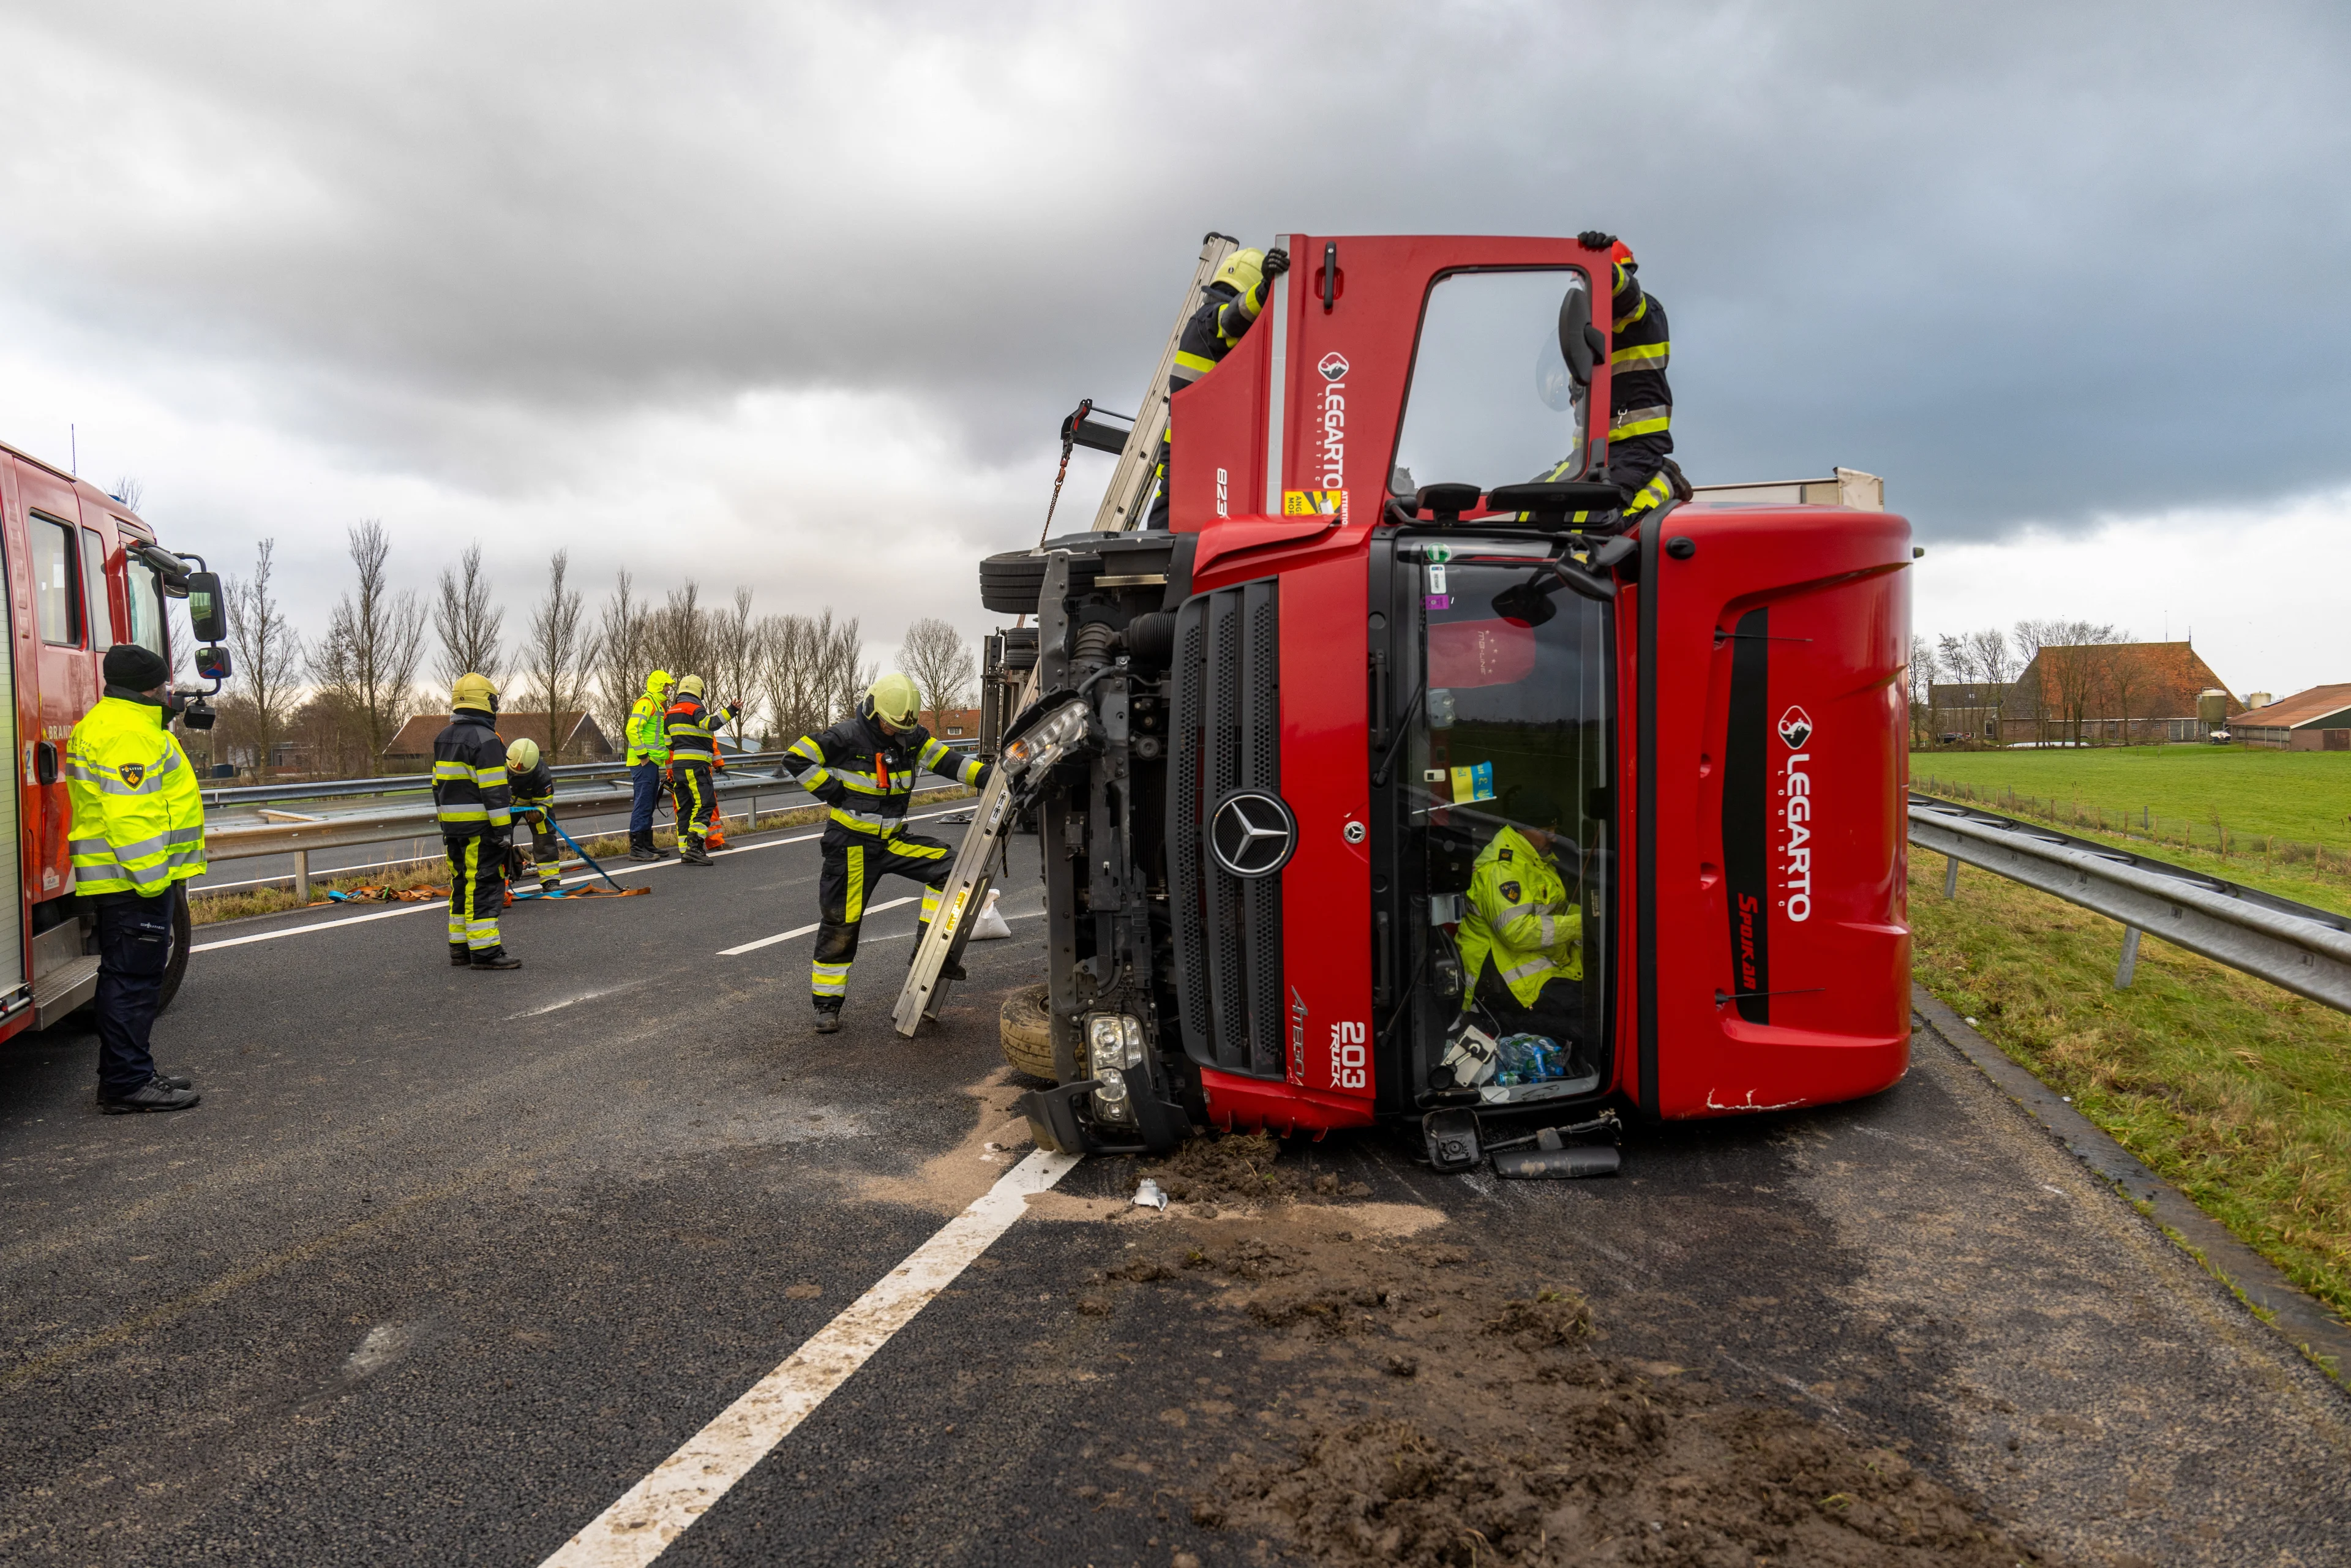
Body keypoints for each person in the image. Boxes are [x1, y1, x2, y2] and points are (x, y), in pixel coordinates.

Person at [782, 672, 990, 1033]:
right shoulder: (845, 736)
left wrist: (992, 776)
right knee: (841, 926)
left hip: (893, 839)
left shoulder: (911, 735)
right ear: (874, 707)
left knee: (954, 870)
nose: (895, 733)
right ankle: (827, 1006)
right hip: (851, 845)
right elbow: (796, 758)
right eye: (890, 725)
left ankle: (927, 950)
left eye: (902, 727)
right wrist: (833, 791)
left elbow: (949, 762)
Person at [66, 645, 206, 1112]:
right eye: (163, 684)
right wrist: (152, 881)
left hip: (119, 880)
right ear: (150, 686)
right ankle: (127, 1083)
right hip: (134, 882)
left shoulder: (109, 724)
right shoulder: (130, 734)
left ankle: (129, 1074)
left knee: (125, 978)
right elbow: (133, 816)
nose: (169, 692)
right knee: (132, 981)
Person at [1144, 242, 1291, 530]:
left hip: (1188, 458)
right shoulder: (1208, 321)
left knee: (1168, 542)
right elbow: (1232, 318)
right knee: (1164, 547)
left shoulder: (1201, 326)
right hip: (1190, 460)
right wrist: (1264, 291)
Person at [1455, 789, 1585, 1052]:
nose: (1553, 837)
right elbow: (1518, 933)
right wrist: (1580, 925)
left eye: (1554, 829)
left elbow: (1550, 908)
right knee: (1587, 1022)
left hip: (1543, 965)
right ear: (1521, 829)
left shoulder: (1535, 859)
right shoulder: (1502, 869)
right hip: (1506, 981)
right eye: (1546, 830)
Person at [1575, 231, 1688, 523]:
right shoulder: (1590, 325)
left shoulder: (1639, 311)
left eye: (1586, 281)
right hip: (1592, 450)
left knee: (1607, 520)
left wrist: (1599, 266)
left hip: (1636, 442)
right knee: (1535, 510)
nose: (1582, 289)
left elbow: (1624, 292)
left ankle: (1665, 480)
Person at [434, 673, 520, 969]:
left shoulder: (443, 737)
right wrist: (504, 833)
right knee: (484, 885)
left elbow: (437, 785)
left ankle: (459, 948)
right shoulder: (487, 740)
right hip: (481, 830)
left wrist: (446, 823)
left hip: (453, 828)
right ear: (487, 702)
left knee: (461, 884)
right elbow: (495, 791)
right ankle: (485, 952)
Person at [663, 675, 737, 868]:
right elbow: (711, 724)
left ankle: (685, 849)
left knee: (685, 807)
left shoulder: (670, 712)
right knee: (705, 803)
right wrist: (732, 710)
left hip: (678, 768)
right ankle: (695, 848)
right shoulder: (695, 709)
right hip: (696, 766)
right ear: (698, 691)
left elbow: (668, 743)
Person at [624, 669, 673, 861]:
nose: (669, 689)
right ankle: (637, 848)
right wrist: (643, 755)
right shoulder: (647, 703)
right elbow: (632, 729)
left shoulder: (658, 706)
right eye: (667, 685)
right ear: (660, 685)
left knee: (649, 803)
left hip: (651, 762)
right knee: (643, 803)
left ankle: (646, 844)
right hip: (643, 762)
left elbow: (660, 736)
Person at [504, 737, 562, 896]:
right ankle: (499, 881)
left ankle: (550, 881)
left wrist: (539, 814)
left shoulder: (542, 774)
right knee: (500, 839)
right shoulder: (498, 763)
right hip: (506, 806)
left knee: (545, 837)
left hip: (533, 805)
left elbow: (544, 802)